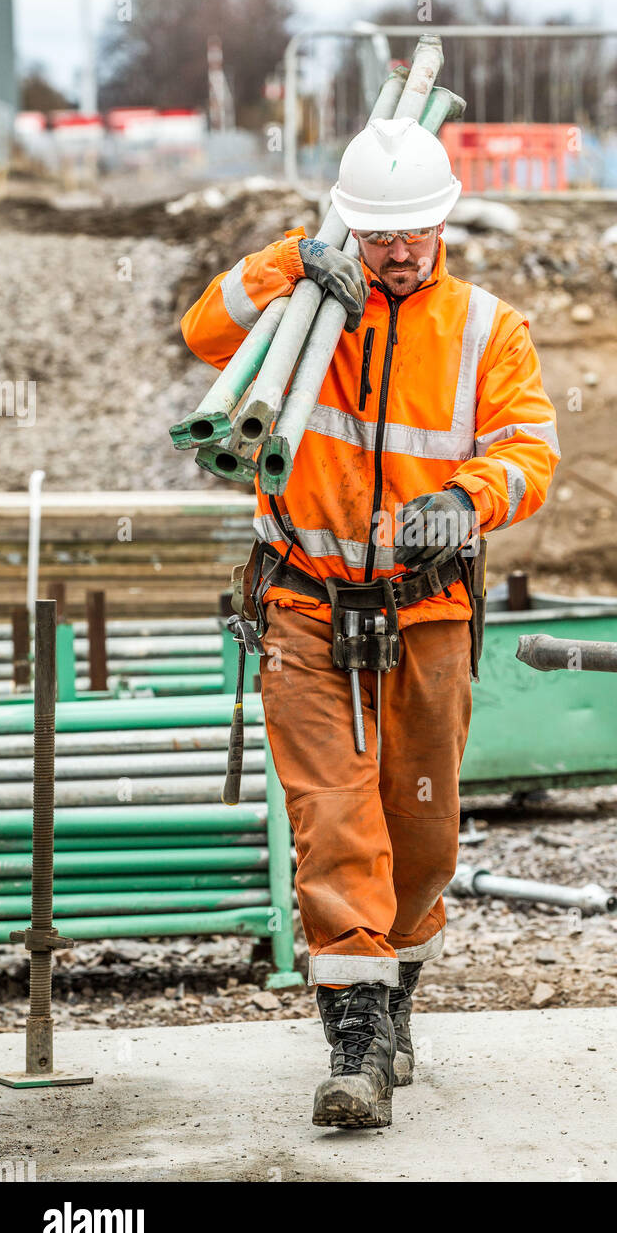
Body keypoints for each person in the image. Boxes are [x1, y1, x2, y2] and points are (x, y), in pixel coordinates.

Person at [181, 115, 559, 1129]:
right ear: (354, 223)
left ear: (441, 224)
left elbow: (529, 449)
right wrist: (282, 268)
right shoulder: (305, 304)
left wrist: (468, 499)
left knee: (421, 831)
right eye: (379, 234)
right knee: (335, 822)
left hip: (425, 610)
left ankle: (394, 1005)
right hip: (305, 603)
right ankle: (355, 1042)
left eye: (413, 233)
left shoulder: (486, 328)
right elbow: (201, 332)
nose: (395, 252)